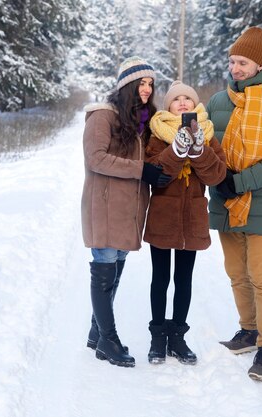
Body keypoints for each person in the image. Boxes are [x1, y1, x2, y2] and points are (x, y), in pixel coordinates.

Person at [206, 27, 262, 381]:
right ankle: (247, 330)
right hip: (225, 200)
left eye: (242, 62)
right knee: (236, 274)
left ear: (259, 65)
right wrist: (216, 179)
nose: (235, 68)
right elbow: (206, 150)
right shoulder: (217, 101)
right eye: (232, 61)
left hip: (261, 201)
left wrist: (239, 181)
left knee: (261, 277)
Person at [81, 56, 172, 368]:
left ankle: (96, 332)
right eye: (141, 83)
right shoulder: (102, 117)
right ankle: (108, 339)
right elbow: (96, 158)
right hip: (105, 205)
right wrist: (141, 170)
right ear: (126, 85)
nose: (147, 89)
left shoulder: (141, 121)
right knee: (104, 268)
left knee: (116, 269)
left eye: (150, 84)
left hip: (128, 208)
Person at [143, 81, 226, 365]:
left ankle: (177, 337)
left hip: (192, 217)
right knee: (160, 278)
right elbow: (153, 169)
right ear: (168, 106)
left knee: (184, 279)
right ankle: (157, 338)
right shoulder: (156, 134)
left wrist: (199, 148)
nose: (181, 102)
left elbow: (216, 176)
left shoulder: (208, 133)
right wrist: (176, 149)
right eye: (175, 99)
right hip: (163, 215)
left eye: (187, 99)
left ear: (195, 105)